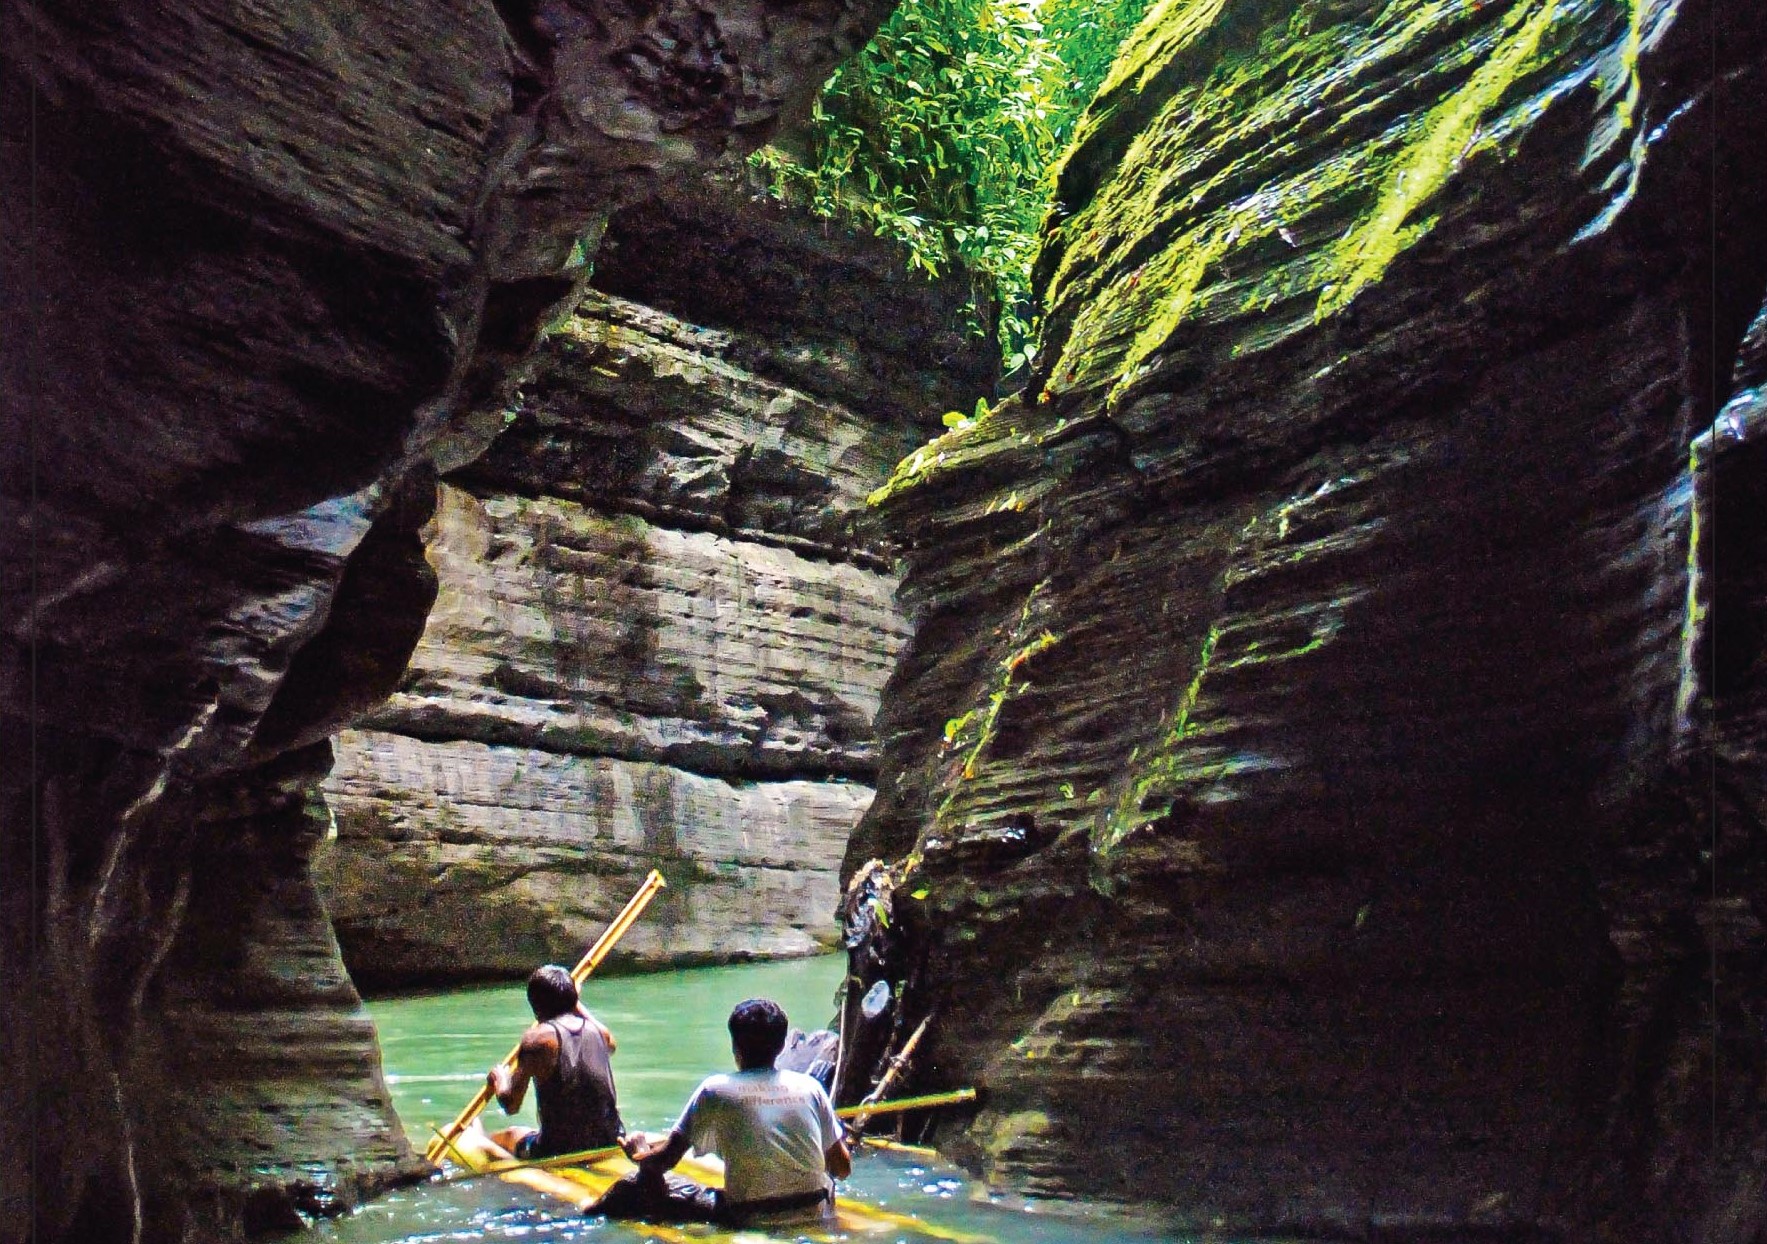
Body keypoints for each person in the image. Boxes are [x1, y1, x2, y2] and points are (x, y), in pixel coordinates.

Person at [599, 997, 851, 1225]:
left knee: (639, 1185)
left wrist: (640, 1151)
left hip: (746, 1215)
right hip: (817, 1210)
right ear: (782, 1045)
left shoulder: (715, 1090)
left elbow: (664, 1162)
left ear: (735, 1045)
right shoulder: (811, 1087)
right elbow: (843, 1168)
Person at [484, 964, 623, 1160]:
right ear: (574, 999)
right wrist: (573, 1002)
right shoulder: (599, 1032)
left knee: (509, 1135)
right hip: (611, 1138)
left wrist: (500, 1078)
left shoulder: (537, 1040)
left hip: (558, 1149)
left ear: (534, 1004)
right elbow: (611, 1045)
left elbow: (511, 1105)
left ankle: (480, 1141)